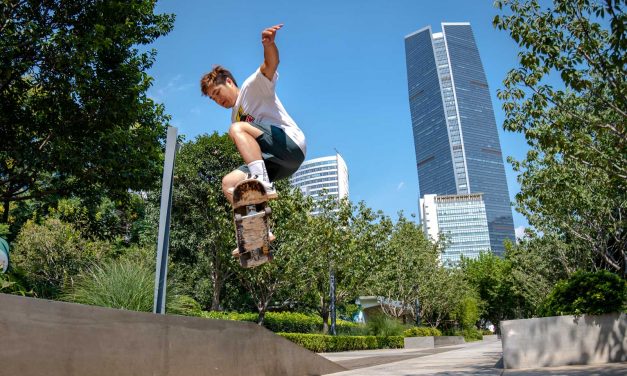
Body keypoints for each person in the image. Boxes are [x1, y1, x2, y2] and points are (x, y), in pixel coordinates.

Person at [200, 24, 306, 205]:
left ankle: (262, 183)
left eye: (217, 93)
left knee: (236, 128)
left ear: (229, 82)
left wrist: (269, 45)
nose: (218, 100)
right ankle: (260, 228)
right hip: (276, 164)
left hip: (291, 145)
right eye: (213, 99)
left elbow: (270, 64)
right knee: (229, 184)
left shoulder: (253, 87)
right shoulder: (235, 117)